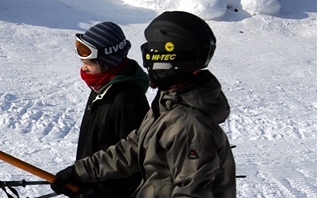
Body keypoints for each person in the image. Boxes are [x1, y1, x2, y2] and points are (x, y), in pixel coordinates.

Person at [52, 11, 236, 198]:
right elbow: (133, 147)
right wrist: (81, 172)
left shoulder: (190, 125)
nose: (148, 61)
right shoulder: (169, 102)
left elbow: (191, 193)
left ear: (169, 59)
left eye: (153, 54)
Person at [72, 22, 150, 198]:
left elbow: (136, 162)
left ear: (107, 63)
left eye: (89, 63)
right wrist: (80, 177)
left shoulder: (128, 102)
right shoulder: (100, 89)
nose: (84, 68)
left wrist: (102, 192)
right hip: (90, 181)